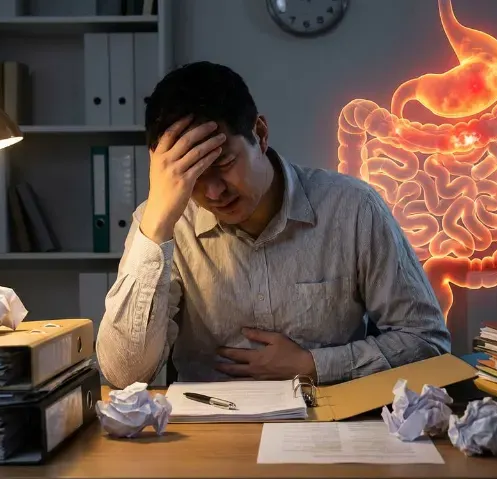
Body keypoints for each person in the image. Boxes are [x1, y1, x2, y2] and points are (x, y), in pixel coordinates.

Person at [96, 61, 450, 389]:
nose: (214, 192)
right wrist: (157, 224)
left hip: (327, 422)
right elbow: (124, 375)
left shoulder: (354, 208)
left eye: (224, 163)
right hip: (210, 429)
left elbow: (427, 341)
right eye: (193, 177)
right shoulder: (164, 222)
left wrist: (314, 364)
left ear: (260, 134)